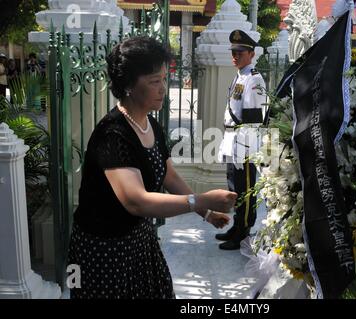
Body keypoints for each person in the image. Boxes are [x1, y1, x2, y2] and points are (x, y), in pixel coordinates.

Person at [67, 36, 237, 299]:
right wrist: (200, 199)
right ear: (128, 86)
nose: (163, 88)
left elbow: (168, 175)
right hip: (104, 250)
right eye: (154, 81)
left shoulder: (149, 124)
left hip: (140, 241)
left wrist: (206, 212)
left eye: (163, 79)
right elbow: (137, 202)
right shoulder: (112, 135)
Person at [216, 30, 267, 250]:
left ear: (251, 54)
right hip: (233, 138)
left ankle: (243, 230)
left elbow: (255, 117)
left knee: (245, 189)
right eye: (233, 52)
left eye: (240, 52)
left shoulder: (254, 79)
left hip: (244, 142)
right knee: (235, 186)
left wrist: (246, 149)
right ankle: (237, 226)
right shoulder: (241, 75)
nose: (235, 56)